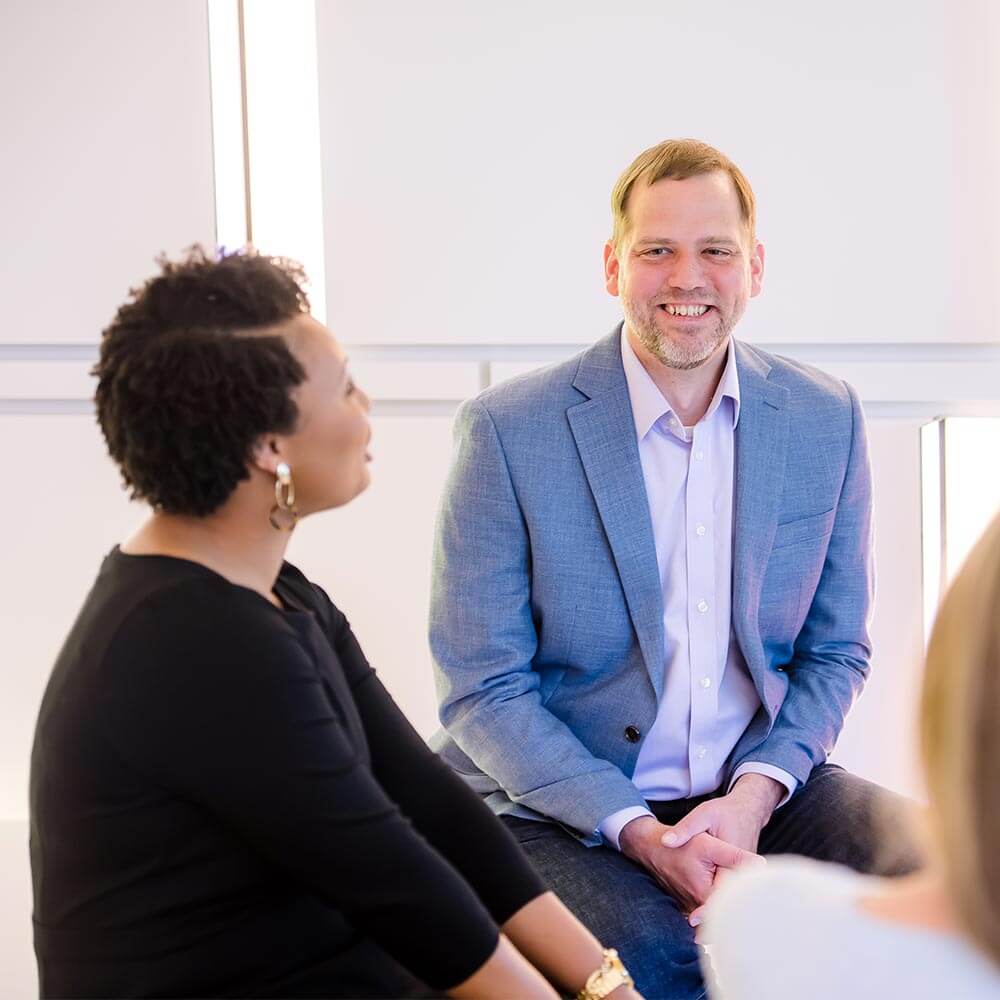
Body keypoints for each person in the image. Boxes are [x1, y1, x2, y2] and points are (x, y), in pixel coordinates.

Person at [29, 247, 644, 1000]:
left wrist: (603, 984)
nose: (366, 407)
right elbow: (395, 878)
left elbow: (433, 806)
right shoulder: (190, 641)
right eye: (345, 386)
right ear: (268, 445)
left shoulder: (280, 594)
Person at [429, 138, 918, 998]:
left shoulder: (822, 417)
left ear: (754, 267)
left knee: (955, 880)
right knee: (659, 972)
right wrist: (641, 835)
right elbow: (483, 687)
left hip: (758, 783)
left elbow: (835, 651)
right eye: (657, 250)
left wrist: (753, 798)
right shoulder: (509, 431)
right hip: (561, 807)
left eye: (715, 251)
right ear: (613, 263)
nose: (686, 278)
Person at [702, 508, 1000, 998]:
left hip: (769, 776)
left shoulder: (757, 911)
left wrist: (754, 795)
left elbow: (836, 652)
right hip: (600, 805)